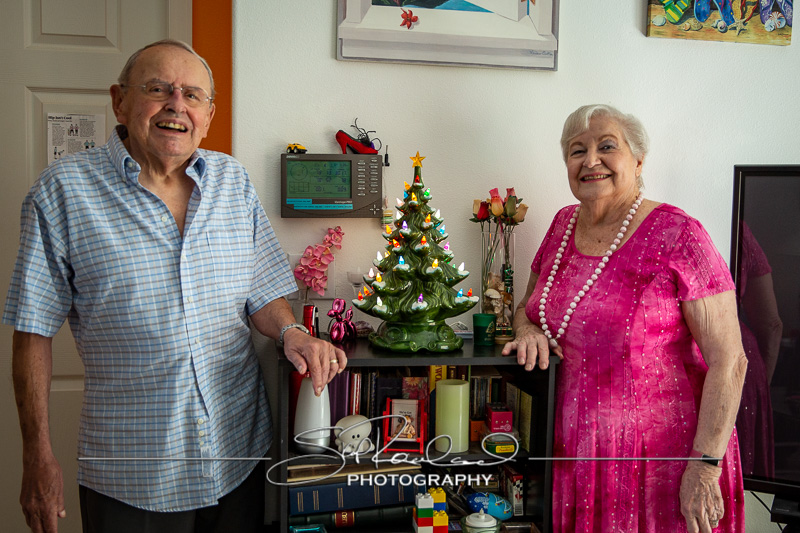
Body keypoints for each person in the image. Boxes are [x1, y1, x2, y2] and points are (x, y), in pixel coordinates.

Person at [4, 39, 346, 533]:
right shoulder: (63, 192)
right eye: (157, 89)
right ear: (119, 100)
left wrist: (293, 332)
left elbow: (263, 293)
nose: (176, 106)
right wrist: (37, 455)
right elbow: (31, 332)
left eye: (192, 94)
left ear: (208, 114)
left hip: (238, 459)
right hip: (132, 476)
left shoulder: (233, 182)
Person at [502, 104, 747, 532]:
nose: (590, 160)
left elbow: (730, 361)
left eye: (606, 146)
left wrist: (705, 466)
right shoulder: (562, 225)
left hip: (662, 460)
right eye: (577, 151)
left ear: (638, 159)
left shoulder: (679, 234)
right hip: (574, 451)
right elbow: (528, 307)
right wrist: (527, 331)